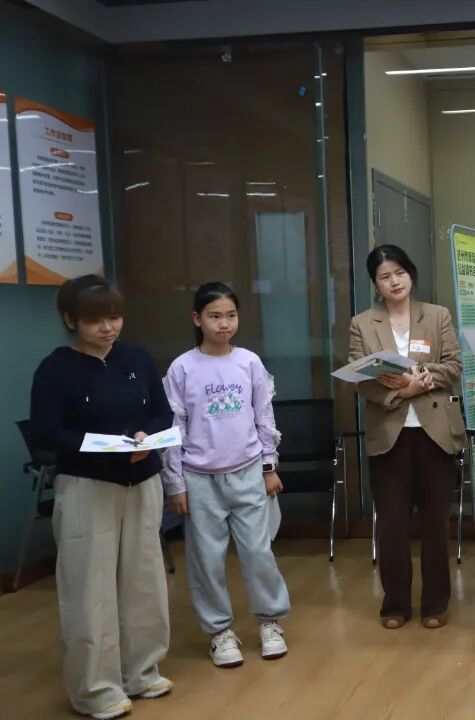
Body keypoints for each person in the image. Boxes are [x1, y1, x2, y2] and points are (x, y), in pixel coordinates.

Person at [29, 275, 173, 720]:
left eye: (114, 318)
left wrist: (149, 437)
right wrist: (100, 445)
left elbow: (162, 412)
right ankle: (95, 689)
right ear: (71, 320)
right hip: (87, 485)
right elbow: (46, 432)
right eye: (95, 321)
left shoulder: (137, 358)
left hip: (142, 480)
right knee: (88, 588)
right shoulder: (56, 368)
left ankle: (141, 671)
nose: (108, 328)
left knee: (144, 580)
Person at [162, 282, 291, 669]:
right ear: (197, 319)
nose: (223, 324)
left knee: (258, 552)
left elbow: (264, 417)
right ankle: (219, 631)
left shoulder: (249, 362)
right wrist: (175, 483)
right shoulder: (182, 368)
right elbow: (174, 429)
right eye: (214, 316)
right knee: (206, 559)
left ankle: (270, 621)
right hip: (199, 478)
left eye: (230, 315)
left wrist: (269, 467)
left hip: (248, 471)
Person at [348, 244, 466, 629]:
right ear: (375, 283)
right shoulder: (362, 323)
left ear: (411, 274)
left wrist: (422, 377)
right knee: (392, 525)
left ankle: (435, 603)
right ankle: (395, 603)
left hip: (435, 432)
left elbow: (454, 365)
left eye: (399, 273)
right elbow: (360, 379)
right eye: (385, 276)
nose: (394, 281)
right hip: (389, 433)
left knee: (435, 523)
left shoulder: (437, 315)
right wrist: (401, 392)